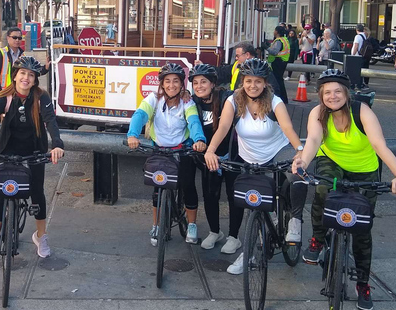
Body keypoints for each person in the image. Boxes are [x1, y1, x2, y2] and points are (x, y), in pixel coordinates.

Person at [293, 69, 396, 310]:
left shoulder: (362, 111)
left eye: (337, 91)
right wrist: (303, 160)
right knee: (323, 190)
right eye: (327, 92)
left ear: (346, 93)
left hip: (364, 168)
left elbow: (379, 145)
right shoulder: (318, 113)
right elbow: (314, 140)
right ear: (321, 95)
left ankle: (363, 283)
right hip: (331, 161)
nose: (332, 96)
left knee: (361, 229)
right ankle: (317, 239)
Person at [204, 58, 308, 274]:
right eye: (249, 81)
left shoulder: (275, 101)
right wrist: (210, 150)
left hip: (278, 150)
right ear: (243, 81)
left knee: (298, 176)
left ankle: (295, 221)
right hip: (249, 157)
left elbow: (287, 127)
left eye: (258, 81)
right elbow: (223, 127)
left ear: (265, 83)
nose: (253, 85)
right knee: (253, 205)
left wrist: (300, 151)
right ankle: (249, 253)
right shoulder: (234, 100)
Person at [0, 56, 65, 258]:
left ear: (36, 79)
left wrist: (57, 144)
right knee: (1, 190)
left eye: (31, 75)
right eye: (22, 73)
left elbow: (51, 122)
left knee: (37, 192)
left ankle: (41, 236)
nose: (26, 78)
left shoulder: (41, 97)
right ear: (15, 76)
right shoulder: (5, 96)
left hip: (34, 150)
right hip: (7, 148)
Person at [127, 63, 207, 246]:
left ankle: (192, 225)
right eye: (167, 81)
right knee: (157, 189)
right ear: (162, 84)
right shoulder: (154, 98)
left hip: (182, 149)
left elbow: (193, 121)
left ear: (182, 84)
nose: (172, 85)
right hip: (160, 149)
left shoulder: (187, 101)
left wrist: (199, 139)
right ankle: (156, 224)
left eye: (176, 81)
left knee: (188, 186)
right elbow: (140, 115)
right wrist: (133, 134)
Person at [188, 64, 242, 252]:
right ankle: (214, 231)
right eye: (195, 83)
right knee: (210, 194)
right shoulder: (193, 102)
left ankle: (234, 236)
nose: (199, 86)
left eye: (204, 82)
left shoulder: (226, 98)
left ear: (213, 83)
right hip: (208, 156)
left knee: (233, 196)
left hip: (230, 153)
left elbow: (225, 125)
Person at [196, 41, 280, 95]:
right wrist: (204, 66)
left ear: (247, 55)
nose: (236, 58)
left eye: (237, 56)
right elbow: (222, 72)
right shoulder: (237, 65)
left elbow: (274, 90)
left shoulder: (263, 69)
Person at [0, 27, 48, 97]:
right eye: (14, 37)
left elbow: (33, 72)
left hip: (17, 94)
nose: (17, 40)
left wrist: (46, 68)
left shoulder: (22, 55)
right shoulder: (0, 54)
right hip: (3, 93)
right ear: (8, 38)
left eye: (20, 38)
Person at [267, 26, 291, 103]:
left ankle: (280, 98)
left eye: (274, 30)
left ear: (277, 32)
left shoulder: (278, 41)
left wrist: (266, 47)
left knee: (277, 81)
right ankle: (284, 98)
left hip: (278, 62)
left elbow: (274, 52)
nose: (273, 32)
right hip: (283, 61)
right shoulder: (284, 39)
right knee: (280, 80)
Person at [351, 24, 371, 90]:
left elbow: (356, 46)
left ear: (357, 30)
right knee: (360, 71)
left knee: (354, 71)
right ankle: (360, 84)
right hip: (362, 56)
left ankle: (354, 85)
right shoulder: (364, 36)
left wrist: (352, 55)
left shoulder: (357, 36)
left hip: (357, 56)